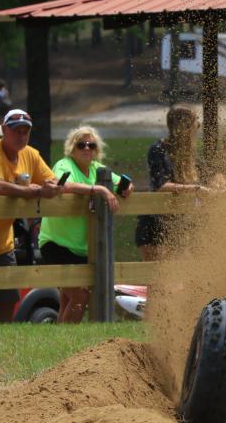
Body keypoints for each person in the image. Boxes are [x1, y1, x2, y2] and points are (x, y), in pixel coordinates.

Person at [0, 109, 63, 324]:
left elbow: (52, 180)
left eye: (26, 131)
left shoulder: (30, 154)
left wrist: (53, 186)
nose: (21, 136)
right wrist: (35, 191)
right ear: (4, 130)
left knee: (9, 298)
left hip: (3, 242)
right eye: (16, 131)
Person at [38, 126, 133, 323]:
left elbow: (120, 183)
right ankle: (66, 339)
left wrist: (127, 188)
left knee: (68, 299)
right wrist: (98, 189)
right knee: (80, 297)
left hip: (82, 249)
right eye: (81, 145)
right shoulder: (64, 164)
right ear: (72, 148)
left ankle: (59, 337)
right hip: (56, 244)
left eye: (91, 145)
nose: (87, 148)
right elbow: (63, 185)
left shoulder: (98, 169)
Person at [135, 105, 215, 260]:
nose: (198, 127)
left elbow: (211, 176)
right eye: (196, 123)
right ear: (184, 127)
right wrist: (196, 189)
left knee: (184, 269)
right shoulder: (158, 149)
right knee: (160, 274)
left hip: (179, 224)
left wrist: (219, 181)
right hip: (155, 225)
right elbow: (161, 186)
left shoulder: (189, 153)